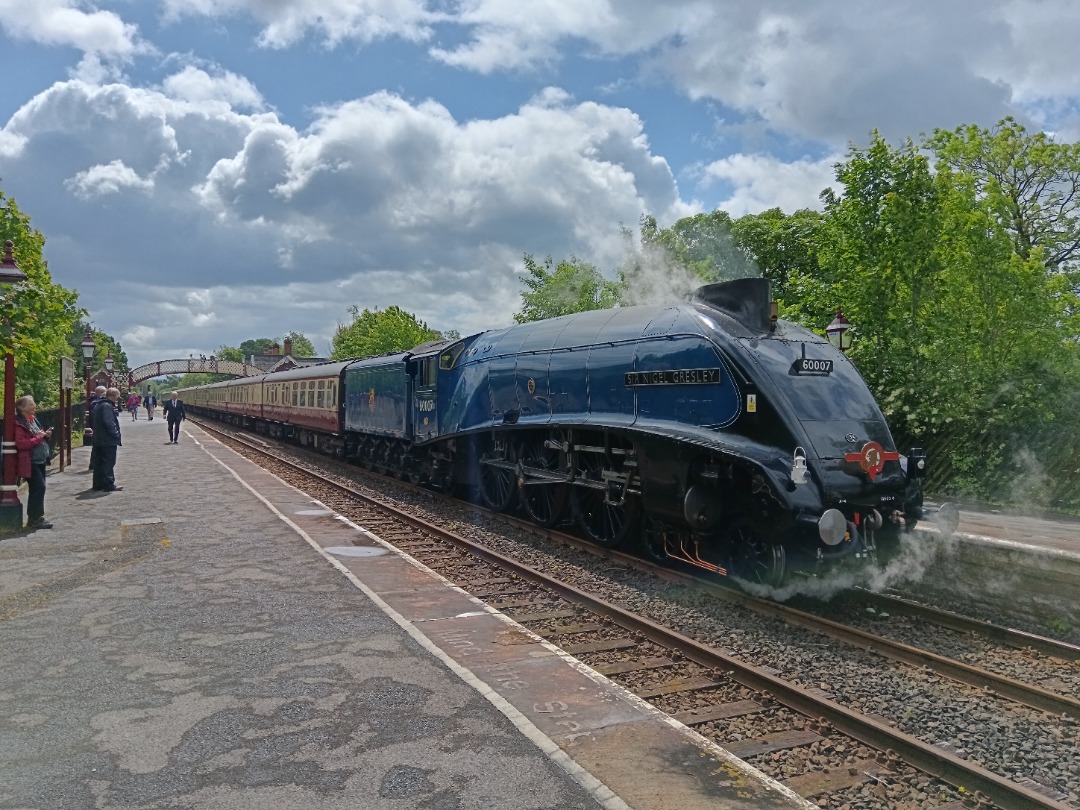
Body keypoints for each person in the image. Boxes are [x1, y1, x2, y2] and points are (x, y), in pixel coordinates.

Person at [14, 395, 54, 530]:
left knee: (39, 488)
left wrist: (45, 435)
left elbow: (38, 434)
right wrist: (39, 437)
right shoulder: (18, 423)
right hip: (30, 460)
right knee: (38, 487)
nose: (34, 406)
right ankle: (35, 518)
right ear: (22, 407)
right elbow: (21, 444)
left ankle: (36, 517)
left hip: (40, 459)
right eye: (31, 404)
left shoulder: (33, 420)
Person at [91, 387, 123, 492]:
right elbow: (109, 422)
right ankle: (108, 484)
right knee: (108, 462)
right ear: (113, 396)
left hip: (99, 439)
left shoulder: (98, 404)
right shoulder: (107, 406)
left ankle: (98, 484)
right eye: (117, 397)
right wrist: (116, 434)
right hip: (107, 440)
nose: (117, 399)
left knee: (99, 462)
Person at [87, 385, 107, 472]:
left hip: (95, 426)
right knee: (97, 446)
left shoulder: (93, 401)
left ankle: (93, 463)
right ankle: (94, 464)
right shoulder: (96, 402)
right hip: (97, 427)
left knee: (96, 446)